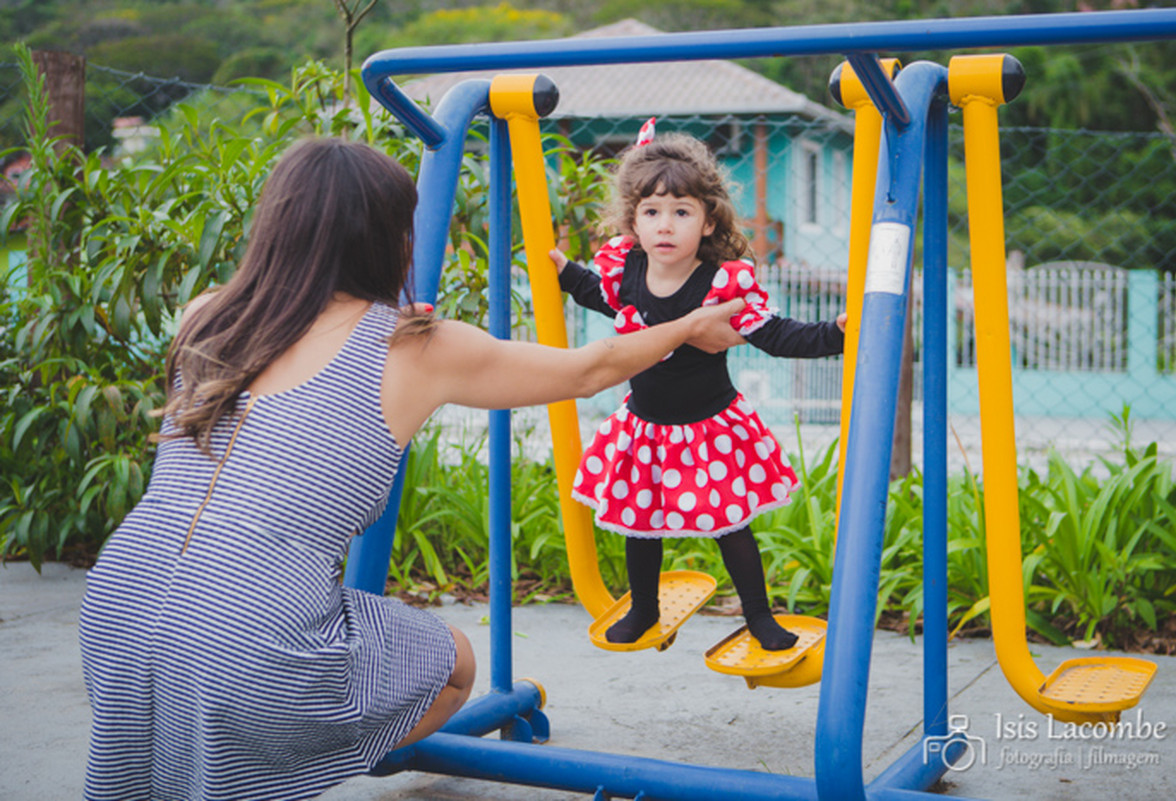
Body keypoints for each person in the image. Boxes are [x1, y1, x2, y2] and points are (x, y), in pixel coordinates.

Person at [77, 136, 746, 801]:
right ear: (386, 237)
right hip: (255, 626)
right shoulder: (412, 346)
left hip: (119, 596)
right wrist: (690, 324)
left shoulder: (207, 312)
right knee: (452, 663)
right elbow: (590, 370)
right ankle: (275, 766)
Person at [550, 130, 847, 652]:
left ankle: (759, 616)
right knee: (640, 525)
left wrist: (835, 335)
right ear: (634, 222)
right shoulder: (627, 271)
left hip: (711, 428)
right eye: (652, 212)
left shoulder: (721, 285)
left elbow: (775, 334)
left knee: (732, 527)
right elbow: (602, 300)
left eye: (681, 213)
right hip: (645, 426)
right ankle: (643, 608)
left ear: (708, 222)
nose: (665, 225)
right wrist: (566, 275)